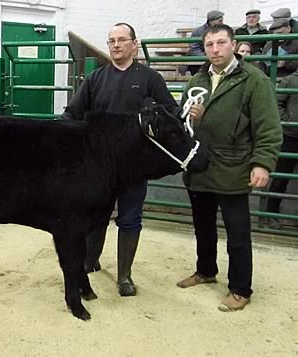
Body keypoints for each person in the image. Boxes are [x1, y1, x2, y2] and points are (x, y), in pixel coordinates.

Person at [61, 22, 199, 297]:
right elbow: (73, 112)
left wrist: (188, 114)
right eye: (111, 40)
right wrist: (55, 135)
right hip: (98, 168)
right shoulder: (96, 78)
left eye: (122, 40)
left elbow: (170, 113)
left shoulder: (151, 79)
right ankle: (90, 262)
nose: (115, 45)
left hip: (135, 166)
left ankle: (124, 276)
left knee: (130, 218)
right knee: (94, 216)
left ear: (134, 44)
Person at [176, 24, 283, 312]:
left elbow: (269, 127)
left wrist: (262, 163)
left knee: (237, 234)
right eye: (210, 44)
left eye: (221, 43)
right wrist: (191, 116)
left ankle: (240, 289)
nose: (215, 49)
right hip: (199, 167)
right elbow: (181, 121)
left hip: (234, 168)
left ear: (233, 45)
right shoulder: (197, 78)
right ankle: (206, 271)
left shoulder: (253, 80)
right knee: (203, 228)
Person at [266, 68, 298, 229]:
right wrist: (288, 123)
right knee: (280, 179)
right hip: (289, 137)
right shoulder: (289, 80)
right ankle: (271, 214)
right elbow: (277, 104)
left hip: (290, 134)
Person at [185, 10, 224, 75]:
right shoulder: (198, 32)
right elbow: (194, 49)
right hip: (202, 59)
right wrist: (207, 57)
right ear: (212, 22)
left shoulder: (223, 31)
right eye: (220, 21)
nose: (222, 23)